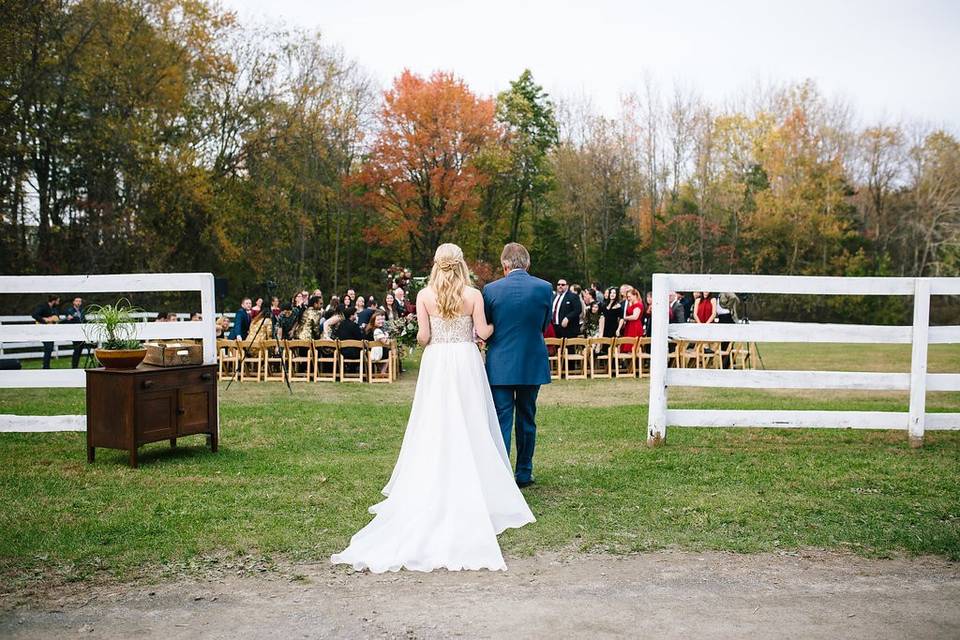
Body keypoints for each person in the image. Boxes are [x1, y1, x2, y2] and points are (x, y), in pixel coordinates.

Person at [332, 243, 533, 573]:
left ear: (437, 265)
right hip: (466, 360)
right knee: (470, 421)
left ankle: (436, 470)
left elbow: (424, 338)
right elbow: (482, 332)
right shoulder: (473, 295)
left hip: (438, 361)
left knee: (436, 422)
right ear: (462, 264)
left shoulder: (425, 296)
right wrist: (498, 329)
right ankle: (478, 477)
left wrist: (430, 330)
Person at [484, 242, 553, 490]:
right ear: (528, 264)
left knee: (502, 418)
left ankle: (501, 474)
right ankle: (524, 472)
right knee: (527, 418)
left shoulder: (490, 290)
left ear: (504, 266)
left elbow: (487, 327)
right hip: (531, 362)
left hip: (500, 363)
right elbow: (544, 325)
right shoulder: (544, 288)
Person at [32, 296, 60, 369]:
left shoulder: (54, 309)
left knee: (49, 348)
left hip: (50, 332)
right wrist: (45, 320)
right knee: (48, 347)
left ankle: (46, 366)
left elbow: (57, 317)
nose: (58, 303)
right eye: (57, 301)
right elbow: (34, 315)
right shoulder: (43, 306)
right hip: (43, 330)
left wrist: (55, 319)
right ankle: (46, 366)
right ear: (53, 301)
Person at [63, 297, 86, 368]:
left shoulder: (82, 310)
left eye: (80, 301)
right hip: (74, 332)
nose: (78, 302)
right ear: (73, 302)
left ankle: (76, 365)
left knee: (80, 350)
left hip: (82, 333)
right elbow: (66, 320)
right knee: (77, 349)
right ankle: (74, 366)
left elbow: (84, 320)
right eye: (77, 301)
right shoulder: (69, 310)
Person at [619, 288, 644, 352]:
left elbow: (635, 317)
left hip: (634, 326)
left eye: (629, 296)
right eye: (627, 297)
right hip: (630, 325)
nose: (628, 298)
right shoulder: (632, 304)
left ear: (635, 295)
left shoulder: (638, 305)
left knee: (632, 344)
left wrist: (625, 317)